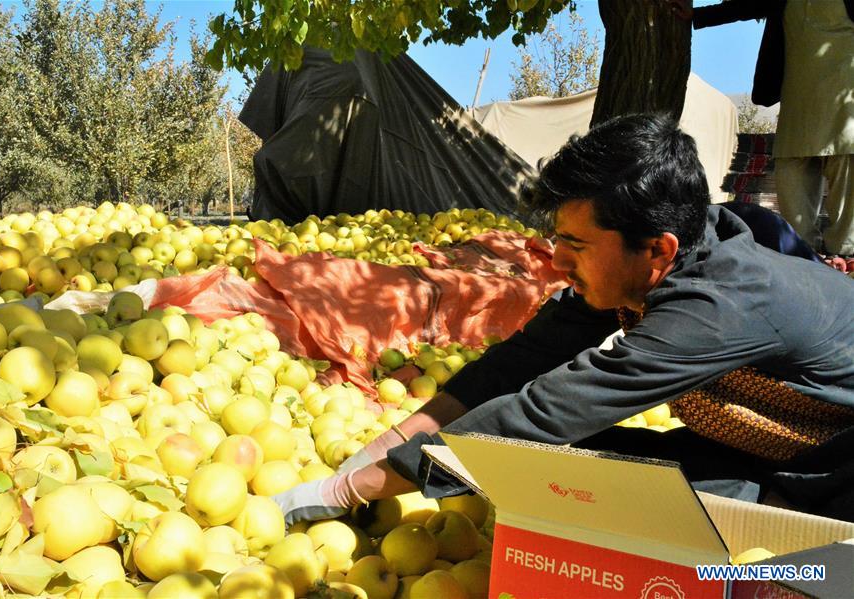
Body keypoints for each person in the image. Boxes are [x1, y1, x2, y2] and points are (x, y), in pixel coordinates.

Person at [274, 114, 854, 527]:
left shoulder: (717, 308)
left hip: (833, 477)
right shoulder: (653, 259)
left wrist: (348, 489)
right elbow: (519, 364)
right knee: (564, 475)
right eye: (557, 238)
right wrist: (398, 438)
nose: (556, 261)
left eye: (576, 243)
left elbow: (540, 414)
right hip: (759, 452)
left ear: (657, 249)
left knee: (655, 525)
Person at [670, 0, 854, 259]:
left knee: (848, 203)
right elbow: (744, 6)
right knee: (793, 192)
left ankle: (846, 258)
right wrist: (696, 15)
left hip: (846, 113)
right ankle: (804, 260)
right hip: (797, 109)